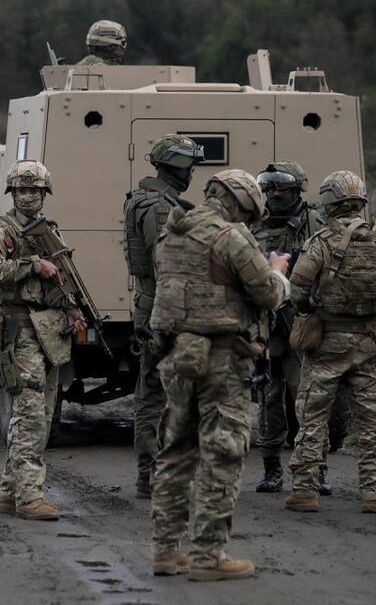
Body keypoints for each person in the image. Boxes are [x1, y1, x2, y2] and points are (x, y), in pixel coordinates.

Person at [149, 170, 290, 582]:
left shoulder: (171, 233)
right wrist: (277, 269)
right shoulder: (231, 237)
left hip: (177, 356)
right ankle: (208, 556)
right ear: (241, 204)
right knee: (222, 453)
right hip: (222, 359)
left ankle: (165, 551)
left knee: (175, 453)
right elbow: (267, 294)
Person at [284, 171, 376, 515]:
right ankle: (375, 493)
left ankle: (305, 491)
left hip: (326, 343)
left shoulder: (321, 242)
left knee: (312, 419)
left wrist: (309, 306)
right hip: (369, 343)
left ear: (329, 204)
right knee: (371, 423)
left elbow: (296, 288)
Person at [0, 161, 86, 521]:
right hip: (19, 328)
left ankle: (10, 493)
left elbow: (60, 281)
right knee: (30, 414)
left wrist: (71, 309)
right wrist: (33, 265)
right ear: (13, 193)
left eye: (35, 191)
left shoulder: (47, 230)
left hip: (48, 330)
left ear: (44, 194)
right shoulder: (1, 229)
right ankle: (29, 496)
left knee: (42, 409)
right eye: (23, 190)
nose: (29, 196)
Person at [123, 134, 204, 498]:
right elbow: (166, 264)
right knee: (160, 394)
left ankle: (154, 473)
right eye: (190, 167)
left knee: (156, 392)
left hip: (152, 304)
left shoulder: (151, 199)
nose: (192, 174)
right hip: (163, 308)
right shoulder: (158, 207)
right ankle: (154, 474)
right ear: (178, 168)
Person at [250, 161, 328, 495]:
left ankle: (316, 469)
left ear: (297, 190)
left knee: (306, 400)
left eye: (281, 188)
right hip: (267, 325)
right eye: (269, 188)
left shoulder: (314, 223)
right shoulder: (256, 226)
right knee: (269, 399)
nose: (274, 194)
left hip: (302, 322)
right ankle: (272, 469)